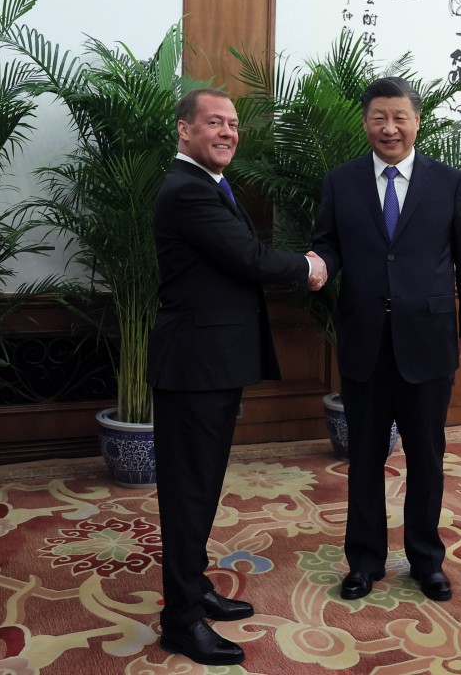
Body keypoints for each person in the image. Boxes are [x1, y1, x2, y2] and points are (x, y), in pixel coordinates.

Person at [147, 87, 327, 666]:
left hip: (212, 365)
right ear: (184, 130)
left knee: (202, 485)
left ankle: (193, 587)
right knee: (188, 492)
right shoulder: (187, 192)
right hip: (193, 367)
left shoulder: (209, 185)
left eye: (232, 125)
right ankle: (179, 620)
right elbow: (248, 257)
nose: (227, 132)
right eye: (214, 122)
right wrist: (307, 267)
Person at [311, 77, 461, 603]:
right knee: (364, 457)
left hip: (429, 340)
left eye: (400, 117)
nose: (390, 127)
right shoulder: (341, 182)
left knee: (426, 457)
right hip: (365, 338)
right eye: (379, 118)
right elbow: (328, 243)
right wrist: (318, 265)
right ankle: (364, 562)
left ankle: (426, 561)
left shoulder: (448, 182)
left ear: (416, 121)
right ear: (364, 122)